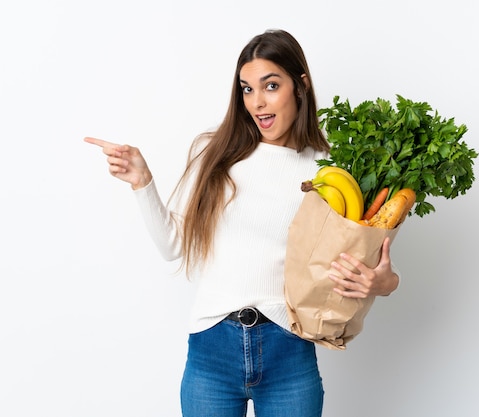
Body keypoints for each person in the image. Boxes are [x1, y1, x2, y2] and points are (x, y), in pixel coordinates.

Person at [85, 29, 399, 417]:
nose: (258, 102)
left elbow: (358, 264)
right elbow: (172, 246)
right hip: (211, 352)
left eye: (271, 85)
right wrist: (142, 181)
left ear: (300, 85)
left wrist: (385, 282)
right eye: (247, 89)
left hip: (289, 350)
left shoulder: (330, 172)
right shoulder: (215, 154)